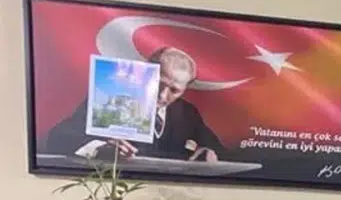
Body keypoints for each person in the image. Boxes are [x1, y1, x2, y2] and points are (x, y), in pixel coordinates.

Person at [45, 47, 226, 163]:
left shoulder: (187, 113)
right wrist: (100, 148)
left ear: (185, 89)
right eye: (159, 84)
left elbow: (220, 151)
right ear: (145, 72)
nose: (163, 95)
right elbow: (58, 138)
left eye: (174, 90)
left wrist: (209, 152)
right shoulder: (110, 100)